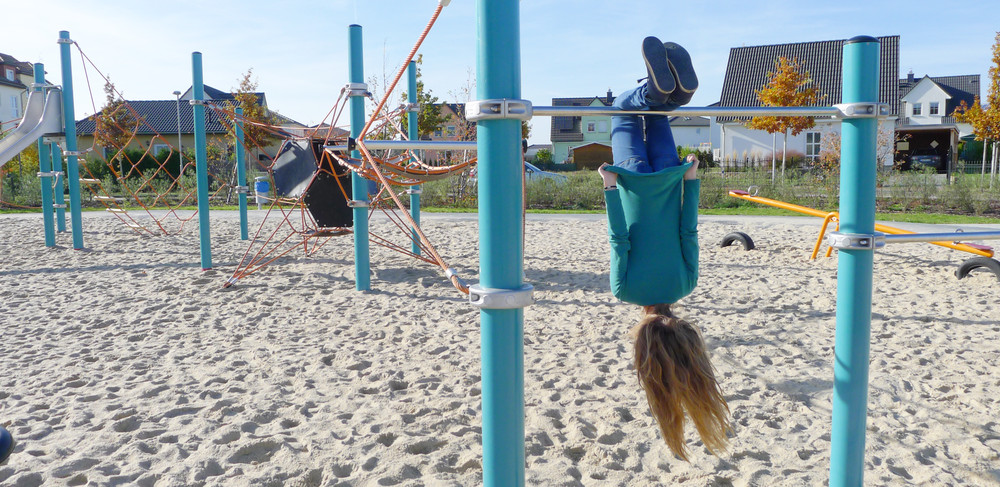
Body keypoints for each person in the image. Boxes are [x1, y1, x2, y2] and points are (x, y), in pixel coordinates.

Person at [598, 36, 730, 461]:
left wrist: (692, 180)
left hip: (672, 178)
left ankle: (672, 93)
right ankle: (654, 90)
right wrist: (610, 189)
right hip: (632, 179)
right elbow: (619, 237)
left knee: (657, 115)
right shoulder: (625, 291)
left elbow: (688, 231)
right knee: (623, 111)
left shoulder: (686, 284)